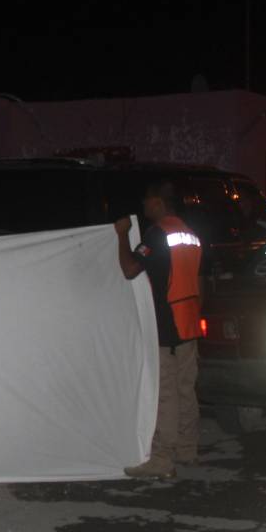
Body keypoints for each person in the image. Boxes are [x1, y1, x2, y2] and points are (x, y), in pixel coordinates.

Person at [114, 181, 203, 479]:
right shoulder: (190, 234)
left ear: (158, 203)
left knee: (166, 393)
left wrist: (122, 234)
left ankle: (163, 458)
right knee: (186, 388)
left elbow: (129, 269)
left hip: (167, 325)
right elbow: (198, 280)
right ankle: (188, 449)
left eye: (146, 201)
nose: (143, 206)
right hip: (189, 321)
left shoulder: (157, 234)